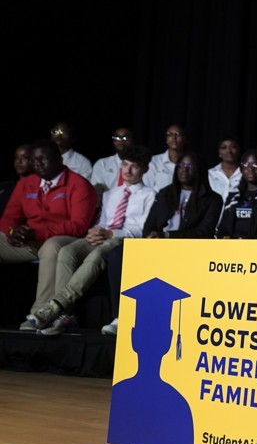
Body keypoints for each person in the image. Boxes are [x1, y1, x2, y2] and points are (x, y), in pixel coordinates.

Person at [32, 145, 156, 336]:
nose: (128, 170)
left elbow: (142, 229)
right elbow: (103, 222)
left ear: (145, 169)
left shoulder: (150, 195)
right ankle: (65, 317)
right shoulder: (110, 194)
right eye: (125, 164)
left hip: (125, 241)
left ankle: (58, 304)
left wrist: (111, 234)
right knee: (67, 251)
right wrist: (95, 231)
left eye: (134, 166)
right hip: (104, 235)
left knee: (98, 254)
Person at [102, 150, 223, 336]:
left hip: (188, 251)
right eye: (181, 166)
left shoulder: (213, 199)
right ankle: (119, 316)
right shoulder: (165, 194)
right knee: (118, 254)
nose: (184, 170)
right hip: (156, 247)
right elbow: (148, 225)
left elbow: (204, 232)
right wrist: (152, 236)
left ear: (199, 170)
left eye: (190, 166)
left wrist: (167, 236)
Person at [0, 139, 98, 329]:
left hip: (64, 239)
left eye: (43, 159)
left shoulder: (78, 184)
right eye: (34, 160)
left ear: (60, 159)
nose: (38, 164)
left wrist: (36, 233)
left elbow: (78, 226)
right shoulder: (27, 183)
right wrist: (13, 232)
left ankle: (39, 314)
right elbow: (8, 217)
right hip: (30, 239)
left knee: (51, 246)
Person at [215, 149, 257, 240]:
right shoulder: (234, 196)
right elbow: (222, 226)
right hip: (232, 249)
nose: (250, 169)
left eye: (255, 165)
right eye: (246, 165)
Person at [91, 127, 135, 196]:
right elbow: (97, 190)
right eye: (117, 138)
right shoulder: (102, 163)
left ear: (132, 140)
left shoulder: (139, 165)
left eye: (125, 138)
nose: (121, 141)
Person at [145, 123, 187, 192]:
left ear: (184, 138)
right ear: (166, 140)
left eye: (178, 134)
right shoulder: (154, 161)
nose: (174, 137)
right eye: (170, 134)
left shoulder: (190, 163)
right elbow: (147, 188)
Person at [0, 144, 34, 215]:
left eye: (25, 157)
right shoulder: (5, 186)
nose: (19, 161)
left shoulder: (40, 187)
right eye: (16, 157)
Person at [208, 136, 242, 205]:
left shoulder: (245, 174)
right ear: (219, 152)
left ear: (239, 151)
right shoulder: (210, 174)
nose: (229, 151)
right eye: (224, 148)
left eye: (233, 147)